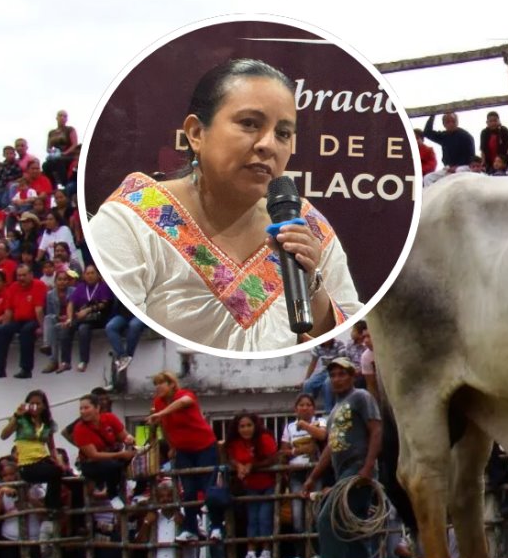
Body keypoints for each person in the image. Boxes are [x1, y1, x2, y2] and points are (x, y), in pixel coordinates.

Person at [87, 58, 360, 351]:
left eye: (283, 133)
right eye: (249, 124)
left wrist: (311, 285)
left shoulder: (306, 226)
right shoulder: (131, 219)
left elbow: (350, 340)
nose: (268, 144)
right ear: (195, 133)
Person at [303, 357, 382, 558]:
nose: (337, 379)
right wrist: (313, 477)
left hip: (357, 468)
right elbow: (330, 447)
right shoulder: (335, 408)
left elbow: (376, 430)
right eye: (333, 375)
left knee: (328, 519)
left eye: (342, 374)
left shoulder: (362, 397)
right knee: (352, 530)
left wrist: (368, 467)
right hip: (343, 471)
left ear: (352, 375)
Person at [145, 370, 221, 542]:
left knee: (209, 489)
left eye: (161, 383)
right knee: (189, 491)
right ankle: (191, 528)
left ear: (171, 384)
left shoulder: (184, 394)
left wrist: (162, 413)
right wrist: (171, 446)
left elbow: (183, 403)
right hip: (183, 450)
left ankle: (216, 526)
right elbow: (165, 426)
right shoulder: (158, 402)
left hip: (204, 447)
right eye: (156, 384)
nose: (158, 387)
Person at [225, 412, 278, 558]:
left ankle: (266, 553)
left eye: (249, 425)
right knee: (252, 519)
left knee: (264, 517)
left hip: (268, 483)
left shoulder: (264, 439)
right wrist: (238, 466)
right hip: (250, 486)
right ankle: (251, 554)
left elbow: (272, 458)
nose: (246, 429)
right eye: (242, 426)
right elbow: (231, 457)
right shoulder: (235, 443)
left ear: (255, 426)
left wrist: (252, 466)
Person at [0, 391, 66, 515]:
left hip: (43, 461)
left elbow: (52, 447)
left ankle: (59, 506)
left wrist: (59, 461)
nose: (34, 406)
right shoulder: (21, 420)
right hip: (27, 465)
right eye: (31, 403)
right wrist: (16, 416)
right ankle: (52, 506)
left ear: (44, 405)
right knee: (55, 472)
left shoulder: (47, 424)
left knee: (67, 475)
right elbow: (3, 435)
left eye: (38, 403)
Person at [72, 394, 135, 509]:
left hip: (114, 457)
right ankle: (112, 494)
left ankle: (138, 492)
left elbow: (123, 436)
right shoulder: (79, 428)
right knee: (112, 466)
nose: (83, 411)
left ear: (97, 408)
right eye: (81, 408)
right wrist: (120, 454)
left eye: (86, 408)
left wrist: (129, 439)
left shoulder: (109, 418)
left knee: (138, 459)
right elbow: (94, 455)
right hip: (91, 464)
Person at [280, 394, 327, 537]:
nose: (305, 408)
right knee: (297, 514)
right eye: (301, 405)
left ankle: (316, 553)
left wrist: (306, 426)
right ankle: (300, 555)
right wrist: (298, 450)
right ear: (296, 409)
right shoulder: (289, 427)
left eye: (308, 405)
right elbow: (283, 451)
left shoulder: (321, 422)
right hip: (296, 473)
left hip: (315, 472)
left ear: (313, 409)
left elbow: (322, 436)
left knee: (315, 512)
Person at [0, 263, 47, 378]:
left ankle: (26, 369)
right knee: (1, 332)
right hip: (18, 320)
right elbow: (9, 311)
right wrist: (4, 327)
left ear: (31, 275)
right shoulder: (13, 287)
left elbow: (39, 310)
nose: (21, 278)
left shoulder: (38, 285)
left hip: (34, 319)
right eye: (19, 275)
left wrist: (43, 328)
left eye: (24, 275)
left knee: (26, 332)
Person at [57, 264, 113, 373]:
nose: (90, 276)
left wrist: (87, 310)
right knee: (66, 327)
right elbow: (71, 303)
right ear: (84, 275)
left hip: (98, 317)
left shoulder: (103, 286)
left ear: (98, 275)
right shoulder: (81, 287)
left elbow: (104, 304)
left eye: (93, 273)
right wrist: (69, 318)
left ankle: (83, 361)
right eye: (87, 273)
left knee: (83, 328)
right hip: (83, 318)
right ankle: (65, 362)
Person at [45, 110, 79, 189]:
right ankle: (52, 186)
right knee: (46, 165)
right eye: (60, 115)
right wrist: (51, 151)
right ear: (56, 118)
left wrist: (65, 153)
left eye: (65, 116)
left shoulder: (70, 129)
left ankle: (65, 183)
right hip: (56, 154)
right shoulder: (51, 132)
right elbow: (48, 147)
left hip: (69, 155)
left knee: (59, 161)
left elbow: (74, 144)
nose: (62, 118)